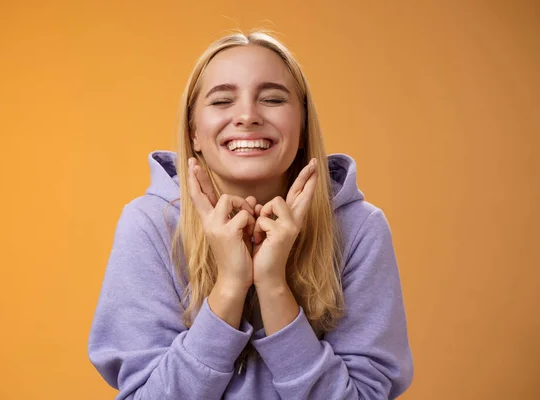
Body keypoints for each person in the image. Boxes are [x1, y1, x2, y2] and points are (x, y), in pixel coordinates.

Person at [88, 30, 414, 399]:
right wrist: (230, 286)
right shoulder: (150, 224)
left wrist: (274, 286)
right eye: (222, 100)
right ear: (193, 131)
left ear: (304, 126)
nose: (246, 116)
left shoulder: (358, 229)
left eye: (273, 98)